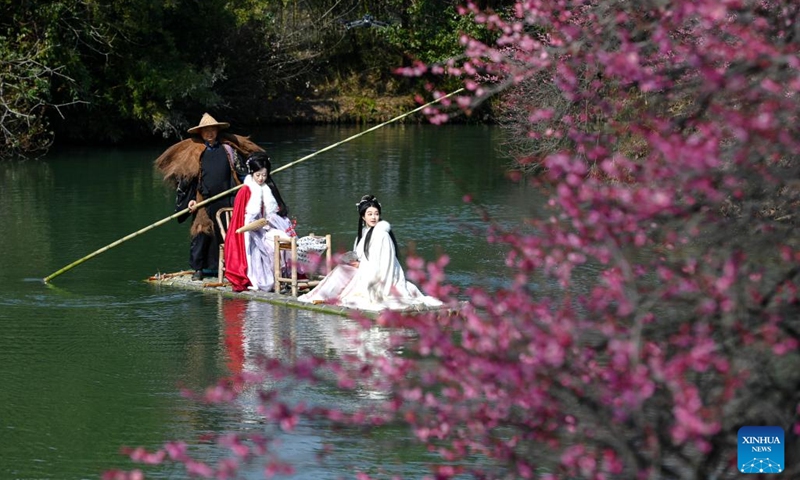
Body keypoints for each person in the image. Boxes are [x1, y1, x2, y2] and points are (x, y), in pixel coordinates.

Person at [155, 113, 262, 281]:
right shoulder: (196, 153)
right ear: (201, 133)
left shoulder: (229, 150)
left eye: (213, 130)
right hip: (203, 200)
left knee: (228, 234)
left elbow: (241, 172)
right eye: (206, 131)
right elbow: (188, 180)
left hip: (227, 198)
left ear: (217, 131)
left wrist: (251, 184)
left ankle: (229, 268)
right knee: (201, 233)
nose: (210, 133)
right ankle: (199, 269)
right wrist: (190, 201)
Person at [298, 195, 443, 311]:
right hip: (365, 270)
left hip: (379, 277)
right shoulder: (364, 234)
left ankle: (326, 296)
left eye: (376, 214)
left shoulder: (382, 234)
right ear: (363, 217)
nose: (373, 217)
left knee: (343, 272)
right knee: (341, 270)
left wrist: (360, 266)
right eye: (370, 214)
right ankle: (321, 295)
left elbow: (384, 264)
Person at [224, 152, 294, 292]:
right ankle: (270, 280)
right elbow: (239, 217)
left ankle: (284, 277)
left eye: (264, 175)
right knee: (268, 246)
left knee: (286, 240)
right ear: (252, 173)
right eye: (258, 175)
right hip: (248, 230)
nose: (261, 178)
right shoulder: (245, 190)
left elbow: (274, 212)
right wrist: (253, 225)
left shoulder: (268, 188)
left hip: (266, 227)